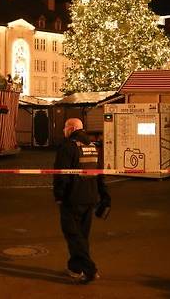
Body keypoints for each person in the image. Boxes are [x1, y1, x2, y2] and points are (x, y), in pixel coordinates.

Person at [53, 118, 111, 284]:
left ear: (71, 129)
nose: (64, 131)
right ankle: (75, 267)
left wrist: (59, 195)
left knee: (73, 235)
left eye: (65, 128)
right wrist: (104, 196)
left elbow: (61, 174)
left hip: (72, 198)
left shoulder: (68, 146)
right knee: (82, 235)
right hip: (90, 198)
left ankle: (89, 269)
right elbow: (100, 174)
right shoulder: (92, 147)